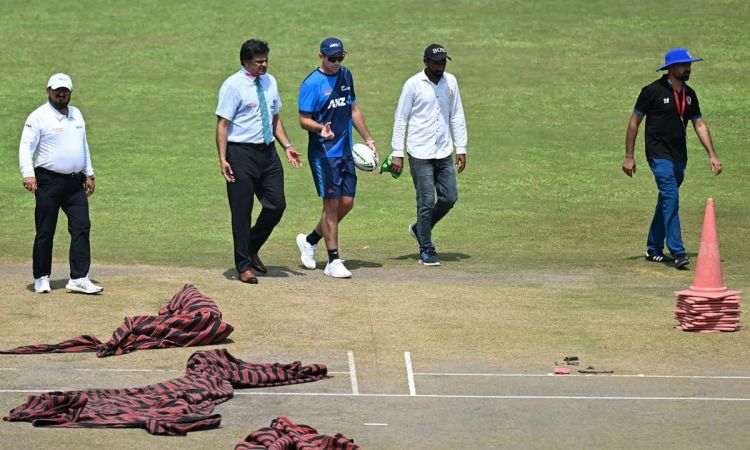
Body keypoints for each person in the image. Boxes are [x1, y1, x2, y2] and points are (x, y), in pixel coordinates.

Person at [623, 48, 722, 270]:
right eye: (684, 65)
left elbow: (699, 124)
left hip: (679, 157)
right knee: (671, 196)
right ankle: (678, 252)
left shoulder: (690, 94)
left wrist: (712, 155)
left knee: (667, 200)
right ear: (671, 68)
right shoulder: (651, 91)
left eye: (690, 65)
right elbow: (633, 122)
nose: (688, 68)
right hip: (658, 155)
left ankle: (653, 248)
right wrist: (629, 156)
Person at [216, 39, 302, 284]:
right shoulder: (233, 86)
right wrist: (223, 159)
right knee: (241, 212)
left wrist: (287, 145)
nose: (264, 65)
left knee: (277, 205)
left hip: (268, 153)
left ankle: (251, 246)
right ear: (245, 61)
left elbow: (274, 117)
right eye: (259, 61)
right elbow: (222, 125)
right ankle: (243, 266)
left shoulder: (270, 81)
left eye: (266, 60)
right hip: (240, 154)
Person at [296, 37, 378, 278]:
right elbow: (303, 120)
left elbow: (353, 109)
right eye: (332, 59)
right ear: (321, 56)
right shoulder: (312, 84)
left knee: (347, 203)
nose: (336, 63)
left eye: (340, 58)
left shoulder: (346, 75)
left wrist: (369, 139)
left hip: (345, 152)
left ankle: (310, 240)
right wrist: (320, 128)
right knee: (330, 205)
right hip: (324, 154)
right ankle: (333, 261)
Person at [19, 73, 103, 294]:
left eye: (65, 90)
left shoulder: (76, 114)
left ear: (70, 92)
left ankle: (78, 278)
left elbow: (83, 146)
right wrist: (28, 174)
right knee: (45, 230)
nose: (61, 94)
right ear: (49, 91)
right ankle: (41, 276)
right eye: (57, 90)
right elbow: (25, 147)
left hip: (75, 182)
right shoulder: (38, 117)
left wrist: (89, 173)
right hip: (48, 180)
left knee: (82, 226)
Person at [389, 44, 467, 266]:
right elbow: (401, 118)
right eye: (436, 62)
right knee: (425, 201)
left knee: (449, 197)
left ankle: (418, 229)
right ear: (426, 62)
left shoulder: (450, 82)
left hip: (443, 150)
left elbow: (457, 115)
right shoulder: (413, 85)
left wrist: (461, 148)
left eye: (443, 62)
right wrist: (397, 153)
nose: (440, 66)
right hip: (419, 152)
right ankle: (426, 248)